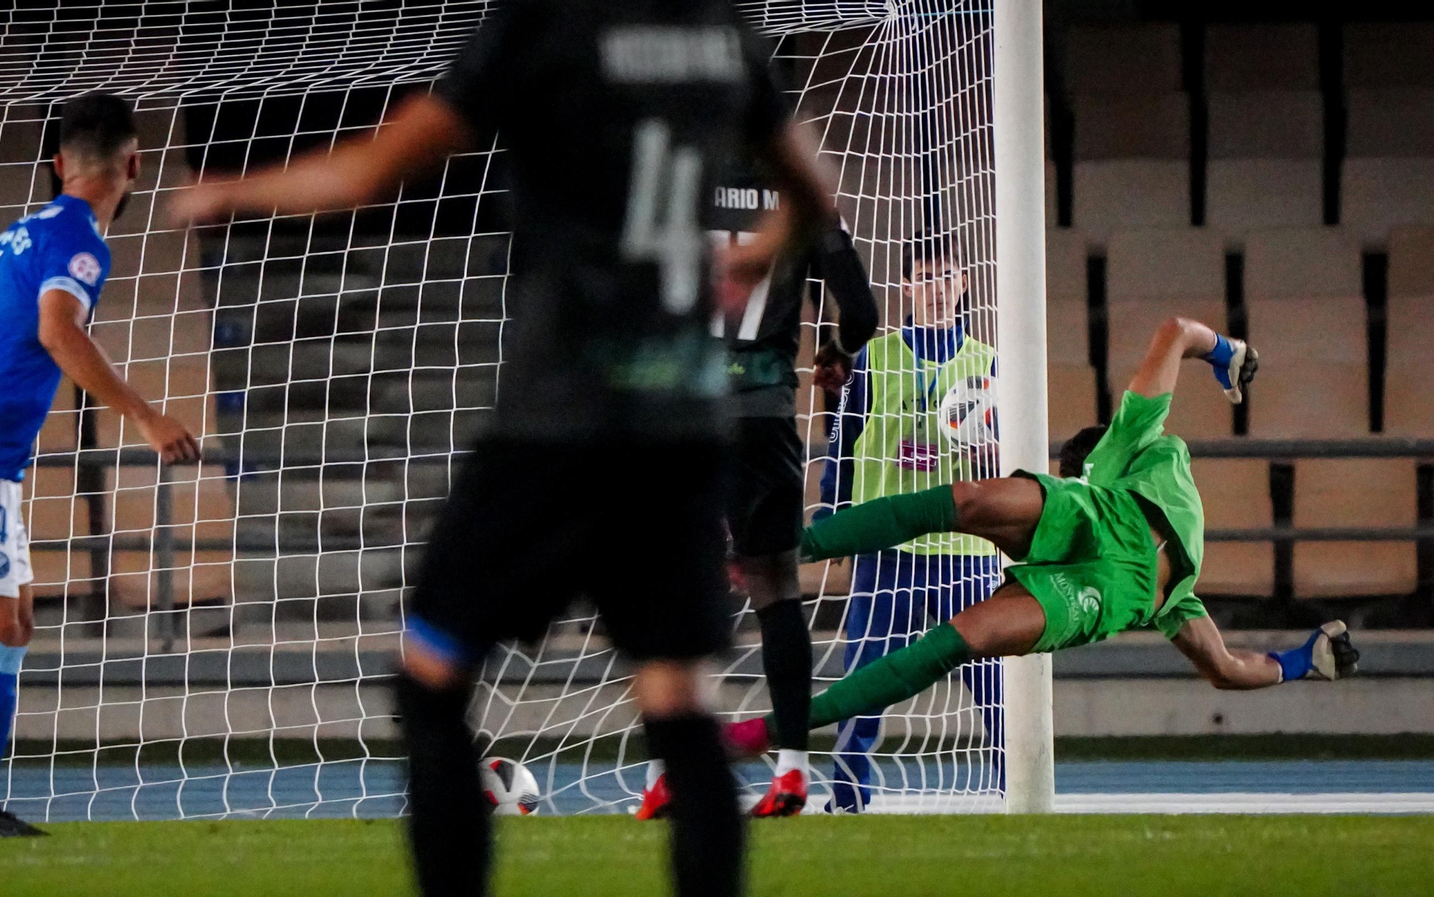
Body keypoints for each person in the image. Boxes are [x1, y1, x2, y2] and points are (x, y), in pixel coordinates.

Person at [172, 3, 835, 895]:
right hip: (680, 430)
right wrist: (755, 255)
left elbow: (372, 171)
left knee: (431, 678)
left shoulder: (546, 26)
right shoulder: (722, 35)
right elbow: (814, 191)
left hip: (556, 428)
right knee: (679, 709)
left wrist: (229, 192)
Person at [723, 317, 1360, 769]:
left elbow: (1173, 330)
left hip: (1104, 587)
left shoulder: (1135, 447)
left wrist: (1227, 350)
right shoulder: (1128, 515)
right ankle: (775, 553)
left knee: (956, 640)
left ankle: (767, 730)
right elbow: (1229, 670)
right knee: (966, 500)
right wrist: (1225, 353)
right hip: (1091, 519)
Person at [0, 93, 201, 839]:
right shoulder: (79, 240)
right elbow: (56, 329)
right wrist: (145, 415)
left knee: (15, 621)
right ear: (134, 164)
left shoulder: (22, 232)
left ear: (56, 163)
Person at [637, 176, 880, 819]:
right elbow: (862, 313)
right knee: (778, 593)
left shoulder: (676, 188)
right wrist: (835, 350)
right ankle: (794, 775)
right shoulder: (797, 193)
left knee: (675, 596)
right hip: (765, 416)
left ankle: (670, 776)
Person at [816, 231, 1003, 810]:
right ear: (906, 287)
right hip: (887, 543)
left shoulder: (988, 363)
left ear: (964, 284)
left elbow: (1010, 456)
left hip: (964, 546)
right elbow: (842, 437)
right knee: (865, 678)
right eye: (924, 277)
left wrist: (990, 452)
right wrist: (831, 510)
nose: (936, 287)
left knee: (993, 678)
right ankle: (847, 795)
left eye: (947, 276)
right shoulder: (874, 357)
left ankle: (1017, 782)